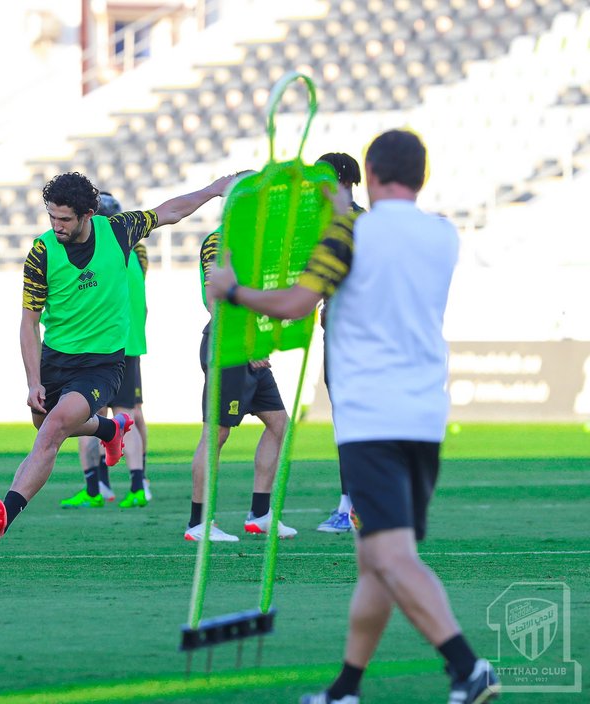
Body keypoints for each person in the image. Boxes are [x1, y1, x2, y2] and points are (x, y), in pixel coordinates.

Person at [207, 130, 499, 704]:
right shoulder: (442, 234)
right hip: (422, 412)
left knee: (390, 555)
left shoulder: (348, 233)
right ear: (420, 175)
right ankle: (347, 686)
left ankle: (467, 667)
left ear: (370, 170)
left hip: (373, 415)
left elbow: (295, 303)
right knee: (374, 560)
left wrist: (233, 291)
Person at [0, 171, 233, 551]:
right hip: (55, 358)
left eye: (64, 218)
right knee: (45, 426)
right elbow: (29, 322)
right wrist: (34, 381)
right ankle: (109, 430)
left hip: (101, 364)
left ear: (87, 214)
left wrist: (213, 191)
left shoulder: (118, 230)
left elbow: (170, 212)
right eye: (52, 217)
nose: (57, 225)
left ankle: (6, 512)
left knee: (52, 432)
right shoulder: (42, 252)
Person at [184, 172, 297, 543]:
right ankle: (198, 523)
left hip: (252, 352)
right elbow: (214, 301)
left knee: (280, 424)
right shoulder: (220, 242)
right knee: (215, 434)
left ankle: (260, 514)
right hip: (229, 350)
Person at [69, 191, 151, 508]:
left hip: (98, 344)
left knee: (88, 416)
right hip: (129, 343)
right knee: (128, 415)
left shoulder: (95, 252)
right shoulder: (137, 252)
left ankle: (95, 488)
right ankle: (137, 484)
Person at [314, 152, 365, 535]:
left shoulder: (359, 224)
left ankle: (353, 506)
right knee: (347, 422)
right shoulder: (324, 223)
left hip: (357, 337)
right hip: (339, 336)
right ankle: (352, 504)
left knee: (355, 423)